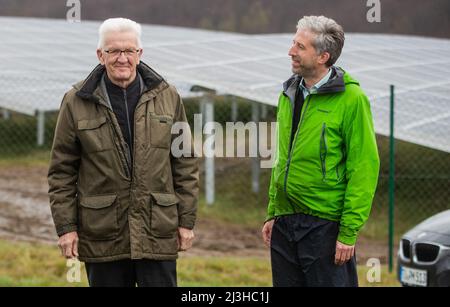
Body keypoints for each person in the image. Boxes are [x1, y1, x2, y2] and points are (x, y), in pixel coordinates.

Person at [48, 18, 198, 287]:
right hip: (103, 234)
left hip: (157, 230)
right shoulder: (77, 100)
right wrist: (66, 228)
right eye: (113, 51)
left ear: (139, 54)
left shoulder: (168, 96)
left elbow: (184, 162)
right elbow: (61, 172)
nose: (122, 58)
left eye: (129, 51)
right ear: (100, 55)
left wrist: (186, 221)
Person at [262, 16, 380, 287]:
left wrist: (348, 232)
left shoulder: (352, 99)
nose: (291, 51)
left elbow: (363, 167)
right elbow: (283, 157)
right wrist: (274, 210)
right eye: (293, 43)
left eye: (300, 47)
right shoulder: (289, 93)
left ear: (323, 56)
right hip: (286, 221)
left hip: (325, 226)